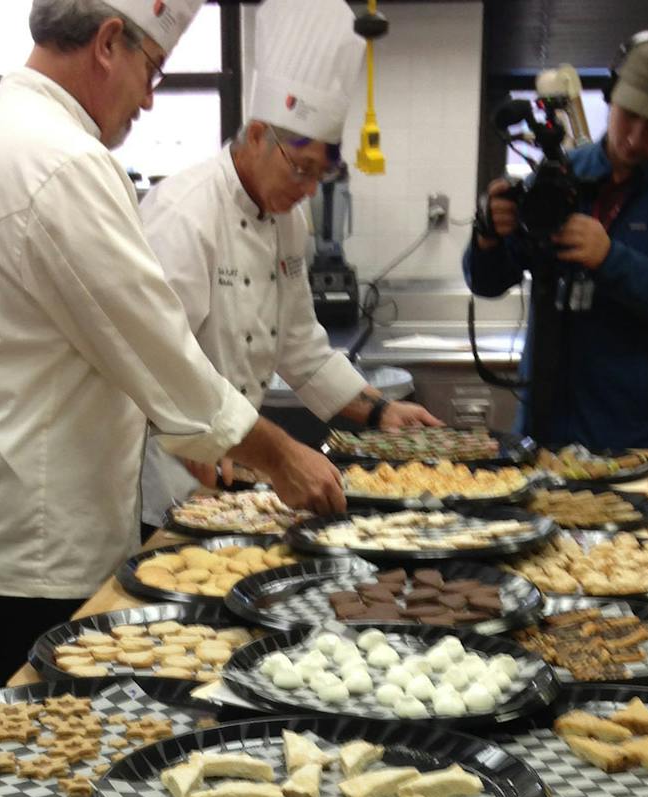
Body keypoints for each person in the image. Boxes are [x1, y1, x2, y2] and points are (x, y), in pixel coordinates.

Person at [0, 0, 346, 703]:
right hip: (26, 533)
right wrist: (281, 457)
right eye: (152, 69)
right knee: (40, 745)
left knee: (2, 732)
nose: (149, 97)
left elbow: (85, 342)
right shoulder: (62, 161)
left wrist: (206, 431)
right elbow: (156, 350)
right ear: (109, 42)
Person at [138, 0, 440, 525]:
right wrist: (204, 442)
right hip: (178, 478)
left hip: (243, 469)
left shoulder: (287, 222)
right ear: (257, 135)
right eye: (299, 170)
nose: (304, 193)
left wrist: (378, 410)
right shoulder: (183, 216)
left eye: (317, 179)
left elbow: (300, 346)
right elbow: (153, 365)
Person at [464, 32, 648, 493]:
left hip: (637, 441)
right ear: (610, 97)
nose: (633, 137)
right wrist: (488, 234)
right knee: (540, 564)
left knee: (635, 564)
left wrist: (610, 258)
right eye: (628, 116)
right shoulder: (563, 173)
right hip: (544, 429)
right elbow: (488, 281)